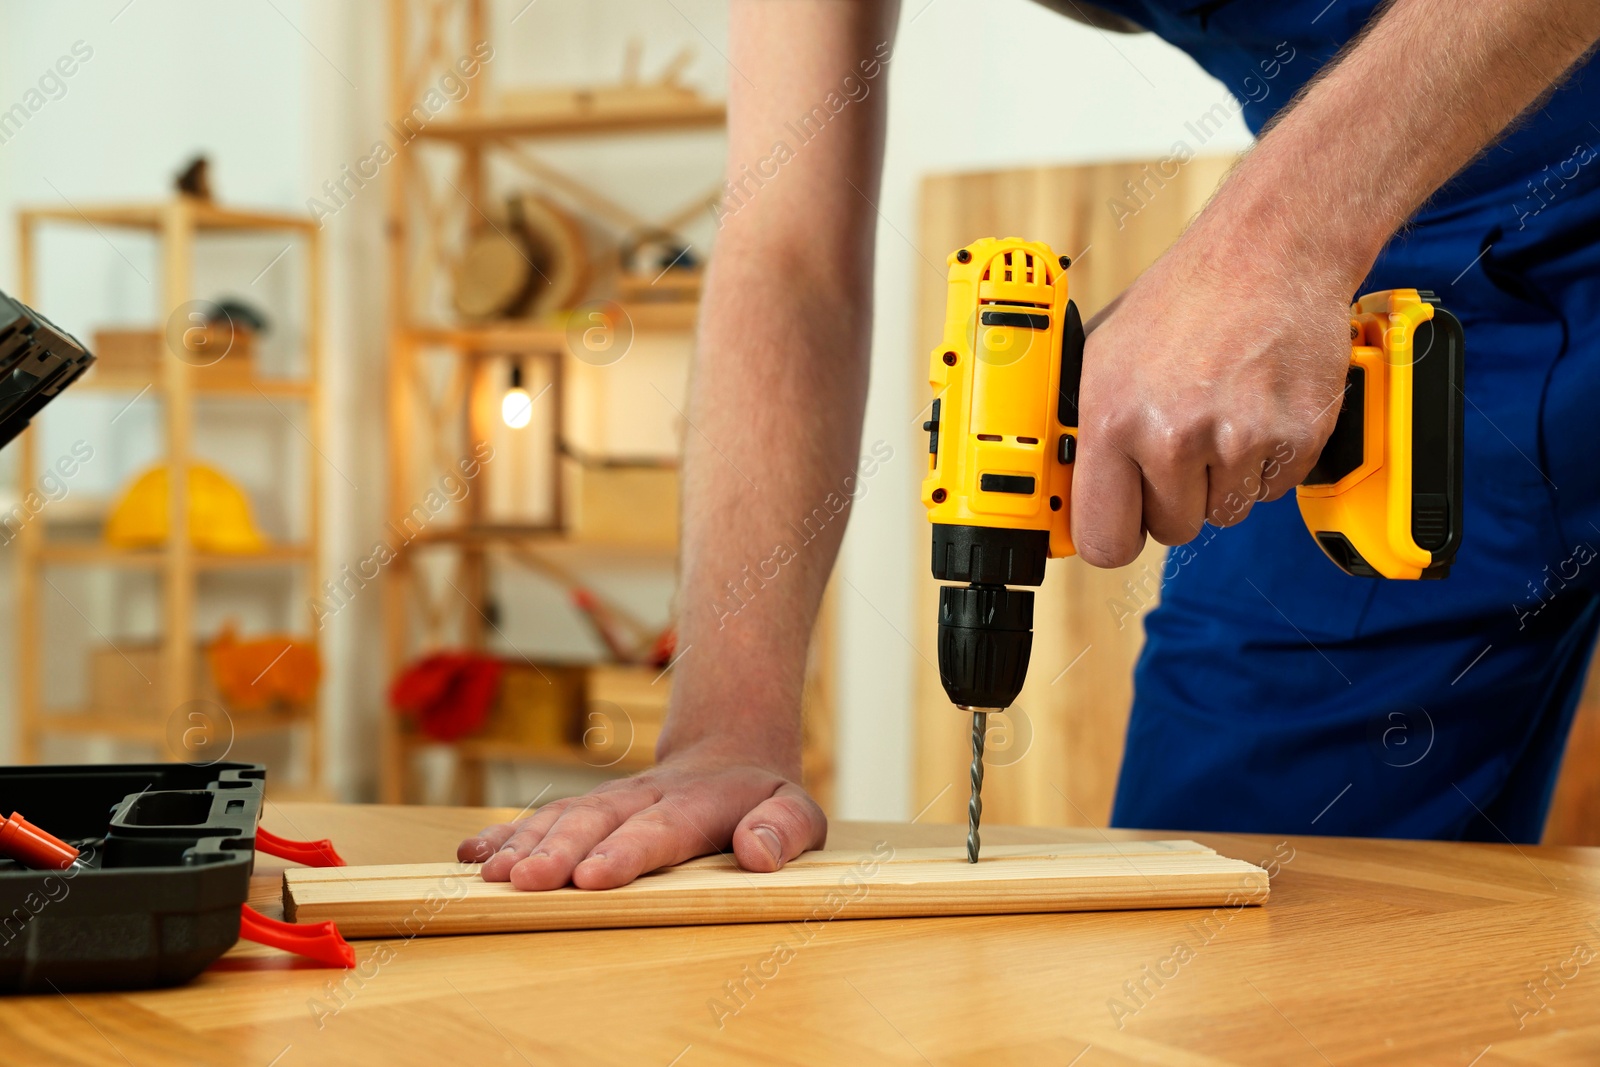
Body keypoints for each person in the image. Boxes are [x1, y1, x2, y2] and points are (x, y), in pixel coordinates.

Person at [459, 0, 1600, 889]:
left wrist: (1278, 235)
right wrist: (722, 729)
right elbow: (786, 253)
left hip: (1340, 215)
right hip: (1386, 293)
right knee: (1237, 924)